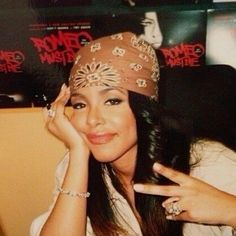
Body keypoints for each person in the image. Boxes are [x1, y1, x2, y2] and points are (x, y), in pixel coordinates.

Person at [30, 31, 191, 236]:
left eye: (112, 101)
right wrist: (78, 152)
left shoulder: (205, 163)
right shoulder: (77, 164)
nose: (92, 119)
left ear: (144, 108)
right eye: (80, 104)